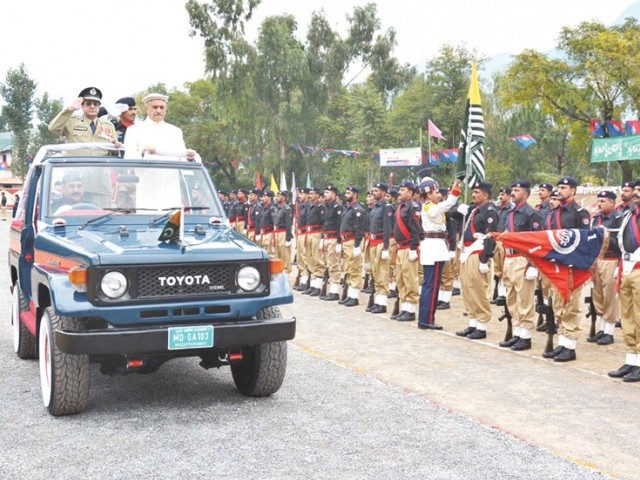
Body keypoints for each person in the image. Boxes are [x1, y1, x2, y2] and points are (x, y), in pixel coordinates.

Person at [541, 176, 591, 362]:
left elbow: (585, 241)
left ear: (573, 191)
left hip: (572, 267)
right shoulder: (554, 213)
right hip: (556, 266)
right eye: (559, 187)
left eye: (564, 187)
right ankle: (562, 343)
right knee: (558, 305)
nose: (560, 190)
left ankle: (570, 346)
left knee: (570, 306)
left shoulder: (580, 213)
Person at [497, 180, 543, 351]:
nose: (513, 192)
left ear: (526, 194)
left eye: (517, 190)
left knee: (524, 299)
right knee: (512, 298)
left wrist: (533, 264)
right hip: (509, 258)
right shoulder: (509, 212)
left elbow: (536, 241)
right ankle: (517, 332)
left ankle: (525, 336)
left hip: (522, 259)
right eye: (513, 189)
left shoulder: (532, 214)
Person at [415, 178, 463, 328]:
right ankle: (426, 320)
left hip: (436, 246)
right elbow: (447, 205)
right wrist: (454, 191)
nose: (439, 195)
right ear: (428, 195)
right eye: (436, 192)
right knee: (432, 285)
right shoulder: (429, 207)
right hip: (433, 248)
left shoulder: (433, 206)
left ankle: (426, 318)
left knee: (431, 284)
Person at [456, 181, 499, 340]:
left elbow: (491, 236)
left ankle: (481, 325)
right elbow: (453, 216)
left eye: (477, 192)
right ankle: (472, 322)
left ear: (486, 195)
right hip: (467, 253)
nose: (473, 195)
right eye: (473, 192)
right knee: (467, 289)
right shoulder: (473, 210)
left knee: (478, 290)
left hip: (478, 253)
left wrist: (484, 259)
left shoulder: (489, 211)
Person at [609, 178, 640, 382]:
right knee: (627, 317)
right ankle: (631, 359)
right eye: (635, 190)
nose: (636, 193)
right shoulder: (629, 214)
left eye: (639, 190)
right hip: (626, 267)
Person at [587, 190, 623, 345]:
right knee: (598, 294)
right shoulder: (596, 218)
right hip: (598, 260)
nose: (600, 203)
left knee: (609, 295)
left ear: (612, 203)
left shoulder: (618, 219)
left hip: (611, 258)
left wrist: (619, 265)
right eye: (599, 200)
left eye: (603, 201)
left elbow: (621, 243)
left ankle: (609, 331)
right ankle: (602, 328)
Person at [124, 93, 198, 161]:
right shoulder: (134, 130)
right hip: (144, 175)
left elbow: (182, 159)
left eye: (161, 107)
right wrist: (142, 152)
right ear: (146, 109)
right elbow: (128, 157)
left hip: (172, 175)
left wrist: (190, 157)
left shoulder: (175, 131)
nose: (159, 110)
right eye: (155, 107)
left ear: (166, 110)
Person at [49, 87, 120, 154]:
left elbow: (114, 152)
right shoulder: (72, 122)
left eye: (95, 104)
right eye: (88, 104)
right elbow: (53, 128)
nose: (92, 106)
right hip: (76, 166)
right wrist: (69, 110)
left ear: (99, 107)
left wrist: (115, 150)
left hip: (101, 166)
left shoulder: (108, 126)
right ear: (82, 106)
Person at [391, 181, 422, 322]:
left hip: (408, 247)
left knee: (410, 279)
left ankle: (411, 310)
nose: (400, 192)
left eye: (403, 190)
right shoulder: (400, 207)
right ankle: (404, 307)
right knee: (401, 279)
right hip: (399, 248)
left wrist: (413, 248)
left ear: (410, 193)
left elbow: (416, 229)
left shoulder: (413, 207)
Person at [367, 182, 394, 314]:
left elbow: (387, 228)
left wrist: (385, 247)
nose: (373, 193)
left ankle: (382, 303)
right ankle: (378, 301)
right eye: (373, 191)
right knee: (376, 272)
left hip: (381, 243)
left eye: (376, 191)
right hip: (373, 242)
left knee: (382, 272)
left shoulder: (386, 207)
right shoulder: (375, 207)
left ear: (383, 193)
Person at [338, 186, 366, 307]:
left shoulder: (357, 210)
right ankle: (350, 295)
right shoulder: (348, 209)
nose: (346, 194)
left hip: (352, 241)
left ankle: (354, 297)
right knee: (348, 268)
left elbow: (359, 229)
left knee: (354, 268)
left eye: (348, 193)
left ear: (355, 195)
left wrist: (357, 245)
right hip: (345, 241)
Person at [320, 185, 344, 301]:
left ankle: (334, 291)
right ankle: (331, 289)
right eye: (325, 192)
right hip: (326, 238)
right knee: (328, 264)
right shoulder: (326, 207)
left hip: (334, 238)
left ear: (334, 195)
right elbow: (323, 224)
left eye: (328, 192)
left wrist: (339, 241)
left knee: (334, 264)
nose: (325, 194)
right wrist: (321, 238)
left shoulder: (337, 207)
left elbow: (340, 225)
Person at [274, 191, 293, 274]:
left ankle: (286, 271)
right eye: (277, 196)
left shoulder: (287, 208)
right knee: (277, 254)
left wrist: (288, 237)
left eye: (279, 196)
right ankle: (279, 272)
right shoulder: (278, 208)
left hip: (283, 232)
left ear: (284, 198)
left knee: (284, 254)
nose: (277, 197)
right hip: (277, 232)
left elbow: (288, 223)